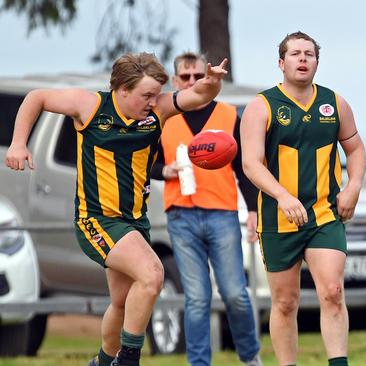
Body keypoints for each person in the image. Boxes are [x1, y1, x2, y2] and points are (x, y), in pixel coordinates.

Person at [4, 52, 228, 366]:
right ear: (122, 89)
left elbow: (200, 94)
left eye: (155, 94)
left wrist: (213, 82)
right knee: (152, 275)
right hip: (96, 220)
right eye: (146, 95)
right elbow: (36, 97)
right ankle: (128, 359)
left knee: (122, 303)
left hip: (135, 222)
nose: (153, 101)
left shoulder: (158, 111)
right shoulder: (90, 106)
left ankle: (103, 361)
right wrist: (18, 143)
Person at [240, 31, 366, 366]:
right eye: (295, 54)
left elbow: (355, 149)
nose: (303, 59)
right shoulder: (261, 106)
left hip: (324, 214)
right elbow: (250, 164)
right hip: (279, 217)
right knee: (285, 301)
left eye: (309, 54)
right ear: (281, 63)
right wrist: (282, 196)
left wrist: (353, 187)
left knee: (333, 292)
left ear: (317, 62)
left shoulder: (335, 103)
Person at [150, 51, 262, 366]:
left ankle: (250, 356)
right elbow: (145, 163)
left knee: (236, 295)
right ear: (174, 81)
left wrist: (252, 210)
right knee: (197, 298)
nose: (191, 82)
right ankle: (199, 363)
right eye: (184, 77)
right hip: (180, 215)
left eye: (197, 76)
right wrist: (165, 171)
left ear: (206, 77)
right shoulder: (164, 117)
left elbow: (244, 167)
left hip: (222, 212)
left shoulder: (227, 115)